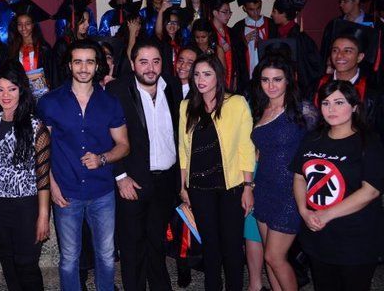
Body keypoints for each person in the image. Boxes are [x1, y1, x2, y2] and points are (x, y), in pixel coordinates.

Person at [37, 39, 129, 291]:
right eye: (78, 61)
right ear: (69, 65)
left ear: (97, 65)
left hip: (102, 192)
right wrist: (51, 186)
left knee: (106, 256)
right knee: (69, 259)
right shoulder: (50, 102)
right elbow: (42, 151)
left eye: (89, 62)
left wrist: (102, 158)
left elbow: (123, 145)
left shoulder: (110, 102)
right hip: (66, 192)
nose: (84, 67)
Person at [291, 80, 384, 291]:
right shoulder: (313, 138)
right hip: (318, 235)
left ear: (354, 106)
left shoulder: (368, 142)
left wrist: (326, 215)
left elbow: (371, 191)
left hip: (356, 238)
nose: (331, 109)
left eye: (339, 102)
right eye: (326, 103)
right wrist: (304, 211)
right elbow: (299, 177)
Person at [106, 39, 181, 290]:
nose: (150, 68)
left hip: (166, 181)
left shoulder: (172, 86)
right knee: (132, 246)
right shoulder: (117, 90)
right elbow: (107, 136)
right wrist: (120, 176)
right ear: (132, 63)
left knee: (157, 242)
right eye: (144, 62)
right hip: (133, 180)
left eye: (156, 62)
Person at [178, 54, 255, 291]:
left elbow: (246, 147)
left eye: (207, 74)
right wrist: (183, 186)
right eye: (197, 74)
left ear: (218, 77)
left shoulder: (236, 103)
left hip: (231, 186)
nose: (200, 79)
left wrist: (248, 186)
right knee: (210, 245)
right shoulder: (186, 106)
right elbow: (183, 149)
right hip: (199, 187)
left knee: (232, 246)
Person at [249, 52, 317, 291]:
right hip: (263, 188)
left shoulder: (302, 109)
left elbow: (321, 146)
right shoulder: (261, 108)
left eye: (277, 79)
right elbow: (259, 150)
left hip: (290, 191)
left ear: (289, 79)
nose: (271, 86)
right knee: (270, 258)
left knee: (274, 256)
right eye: (265, 80)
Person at [0, 60, 51, 290]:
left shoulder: (35, 126)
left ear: (21, 90)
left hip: (25, 206)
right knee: (8, 264)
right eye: (0, 89)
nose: (5, 95)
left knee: (26, 265)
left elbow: (43, 176)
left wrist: (43, 215)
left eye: (11, 89)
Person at [271, 0, 323, 97]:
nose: (271, 14)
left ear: (283, 14)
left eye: (274, 12)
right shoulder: (277, 34)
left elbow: (308, 71)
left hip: (297, 91)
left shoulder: (300, 39)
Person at [320, 0, 378, 70]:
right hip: (340, 67)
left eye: (345, 1)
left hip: (366, 69)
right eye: (340, 1)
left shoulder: (373, 22)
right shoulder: (334, 24)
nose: (341, 5)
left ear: (356, 1)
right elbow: (326, 50)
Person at [232, 0, 277, 94]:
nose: (256, 12)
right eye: (251, 9)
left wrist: (263, 43)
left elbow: (277, 50)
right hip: (246, 77)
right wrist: (243, 41)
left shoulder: (271, 25)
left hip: (268, 75)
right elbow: (234, 54)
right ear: (244, 8)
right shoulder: (238, 28)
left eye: (258, 8)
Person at [8, 0, 54, 98]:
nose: (23, 28)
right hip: (20, 95)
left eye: (27, 24)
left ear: (33, 25)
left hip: (42, 94)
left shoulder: (44, 48)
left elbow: (53, 74)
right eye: (20, 24)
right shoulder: (13, 48)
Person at [52, 0, 93, 88]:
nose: (87, 25)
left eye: (88, 21)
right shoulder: (62, 45)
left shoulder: (89, 43)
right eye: (83, 21)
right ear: (74, 22)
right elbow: (57, 75)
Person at [205, 0, 237, 91]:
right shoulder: (206, 32)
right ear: (215, 13)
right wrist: (220, 51)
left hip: (231, 79)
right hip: (214, 79)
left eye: (229, 12)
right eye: (225, 12)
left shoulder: (231, 32)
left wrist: (235, 76)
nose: (229, 15)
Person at [155, 4, 188, 76]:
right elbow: (158, 32)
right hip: (165, 77)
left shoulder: (181, 43)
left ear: (178, 26)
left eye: (175, 22)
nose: (172, 25)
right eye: (169, 22)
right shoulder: (162, 41)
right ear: (164, 24)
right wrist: (161, 11)